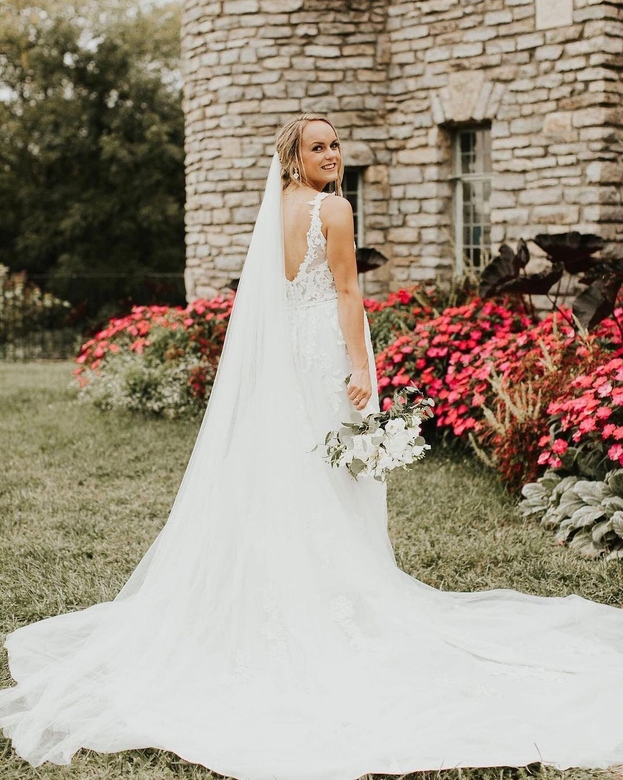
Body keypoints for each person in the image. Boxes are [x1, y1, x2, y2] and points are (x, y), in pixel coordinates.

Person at [1, 113, 623, 780]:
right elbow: (348, 292)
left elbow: (274, 297)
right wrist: (360, 368)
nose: (331, 154)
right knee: (332, 468)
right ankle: (339, 597)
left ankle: (287, 589)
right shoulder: (332, 208)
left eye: (333, 145)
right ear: (294, 159)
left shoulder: (275, 211)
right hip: (324, 354)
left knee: (287, 471)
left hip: (282, 364)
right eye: (317, 147)